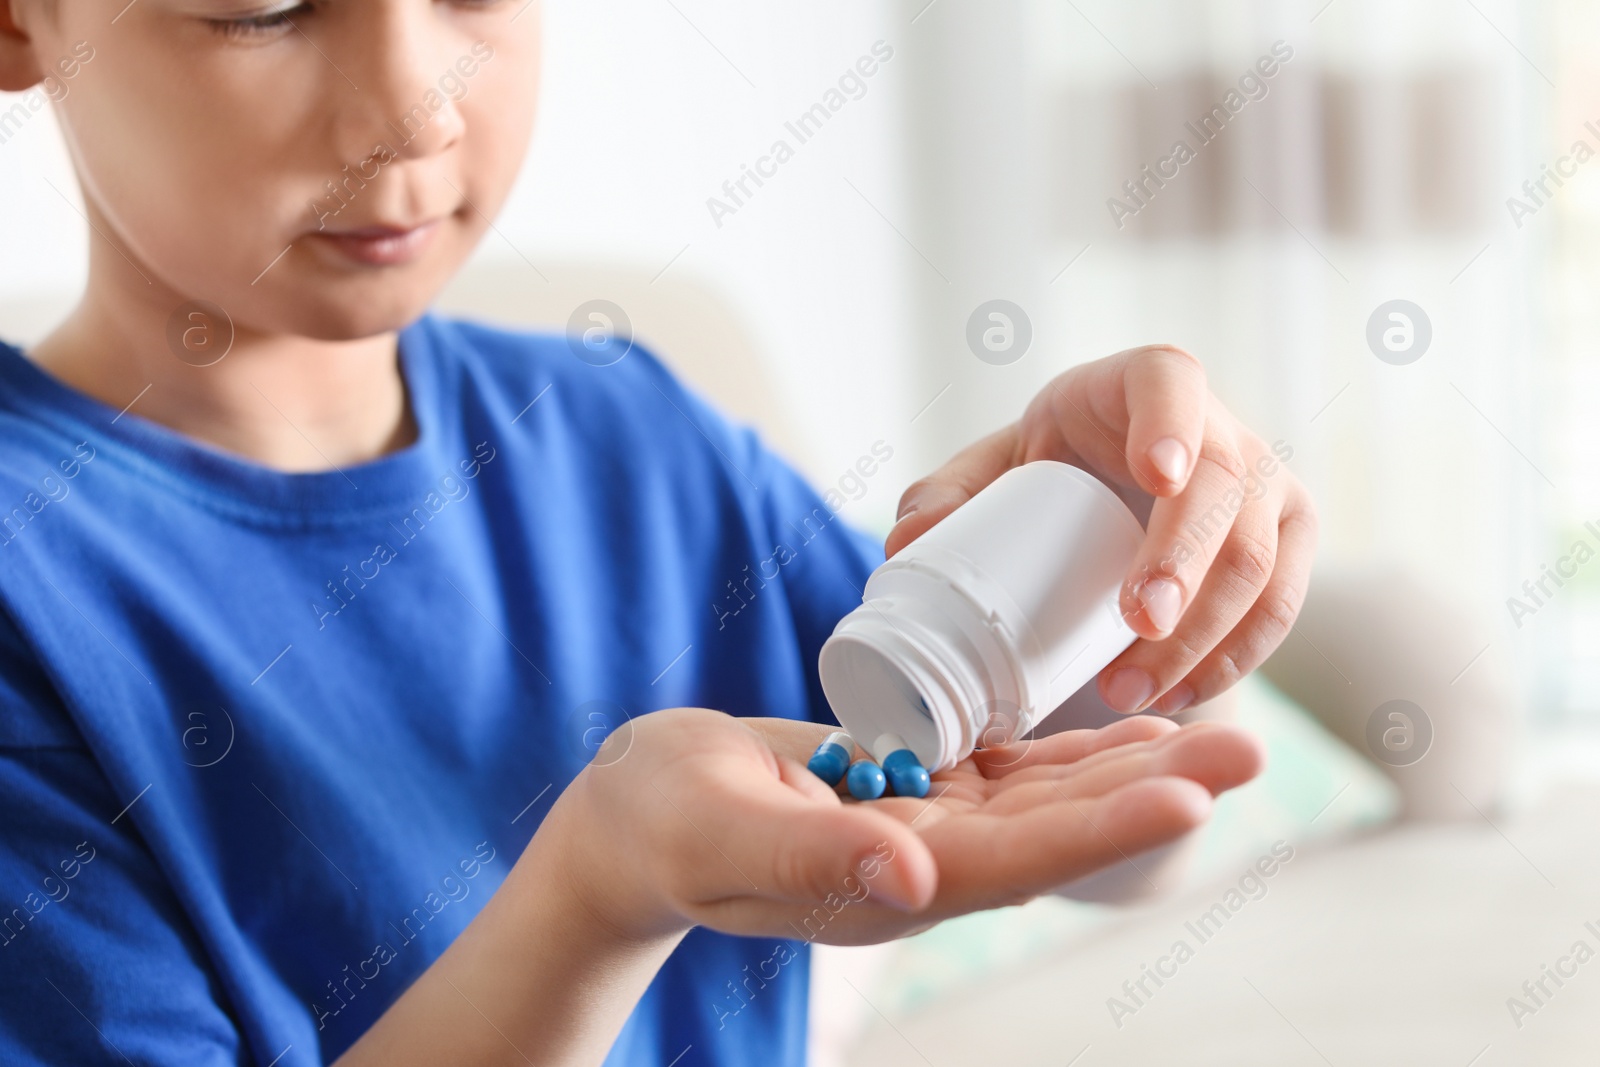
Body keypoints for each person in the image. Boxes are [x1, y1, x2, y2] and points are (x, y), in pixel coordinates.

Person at [0, 2, 1316, 1064]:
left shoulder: (634, 437)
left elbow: (1050, 819)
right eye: (264, 8)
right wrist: (595, 898)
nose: (412, 108)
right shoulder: (32, 590)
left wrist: (1090, 584)